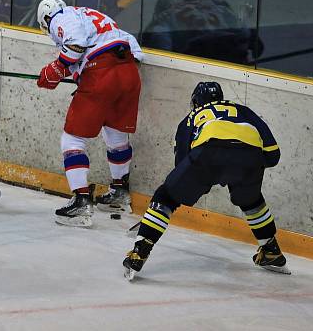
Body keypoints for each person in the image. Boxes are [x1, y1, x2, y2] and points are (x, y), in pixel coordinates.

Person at [123, 81, 289, 279]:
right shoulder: (244, 111)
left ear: (195, 101)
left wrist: (201, 180)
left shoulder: (192, 117)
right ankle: (271, 251)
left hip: (209, 153)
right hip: (250, 156)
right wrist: (244, 165)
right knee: (252, 201)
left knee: (166, 196)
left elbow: (182, 164)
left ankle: (139, 252)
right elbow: (273, 155)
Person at [36, 0, 144, 227]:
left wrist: (55, 70)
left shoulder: (59, 16)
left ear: (46, 18)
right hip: (129, 74)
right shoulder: (94, 16)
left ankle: (81, 202)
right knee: (115, 135)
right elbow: (133, 46)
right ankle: (119, 193)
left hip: (102, 75)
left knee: (72, 139)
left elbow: (75, 44)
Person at [143, 0, 261, 64]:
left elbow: (247, 35)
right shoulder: (172, 10)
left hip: (222, 55)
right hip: (201, 56)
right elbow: (160, 37)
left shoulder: (221, 8)